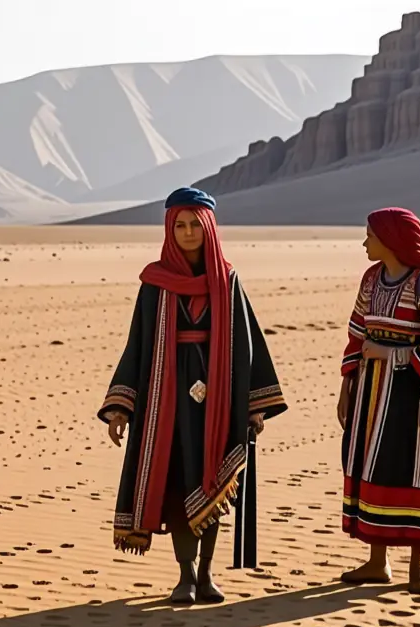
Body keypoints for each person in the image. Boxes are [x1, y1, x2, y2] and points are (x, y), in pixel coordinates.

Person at [98, 187, 287, 604]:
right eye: (179, 226)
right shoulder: (154, 284)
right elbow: (137, 347)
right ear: (168, 229)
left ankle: (207, 574)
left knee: (214, 479)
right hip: (165, 405)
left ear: (209, 228)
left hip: (220, 403)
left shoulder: (228, 280)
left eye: (195, 226)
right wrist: (120, 408)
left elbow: (249, 342)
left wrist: (254, 407)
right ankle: (185, 575)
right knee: (179, 483)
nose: (187, 234)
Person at [336, 207, 420, 595]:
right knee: (371, 469)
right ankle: (377, 562)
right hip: (370, 394)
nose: (364, 243)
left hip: (412, 395)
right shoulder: (371, 279)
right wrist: (347, 385)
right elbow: (358, 335)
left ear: (390, 239)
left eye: (370, 236)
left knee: (413, 470)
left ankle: (417, 565)